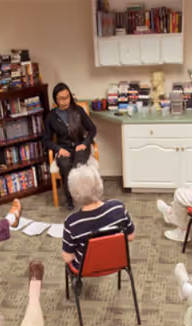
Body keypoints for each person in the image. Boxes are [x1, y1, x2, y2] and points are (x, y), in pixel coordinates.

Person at [61, 164, 135, 271]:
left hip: (85, 268)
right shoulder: (118, 207)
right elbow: (131, 236)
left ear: (74, 193)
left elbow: (68, 257)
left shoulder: (72, 222)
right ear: (100, 184)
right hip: (117, 261)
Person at [43, 82, 97, 210]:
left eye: (67, 97)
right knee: (65, 166)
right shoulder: (51, 117)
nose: (65, 101)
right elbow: (46, 140)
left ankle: (84, 197)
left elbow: (92, 129)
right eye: (62, 98)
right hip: (64, 148)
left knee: (78, 166)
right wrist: (58, 149)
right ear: (55, 100)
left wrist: (85, 143)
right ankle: (70, 199)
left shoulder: (78, 110)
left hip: (80, 146)